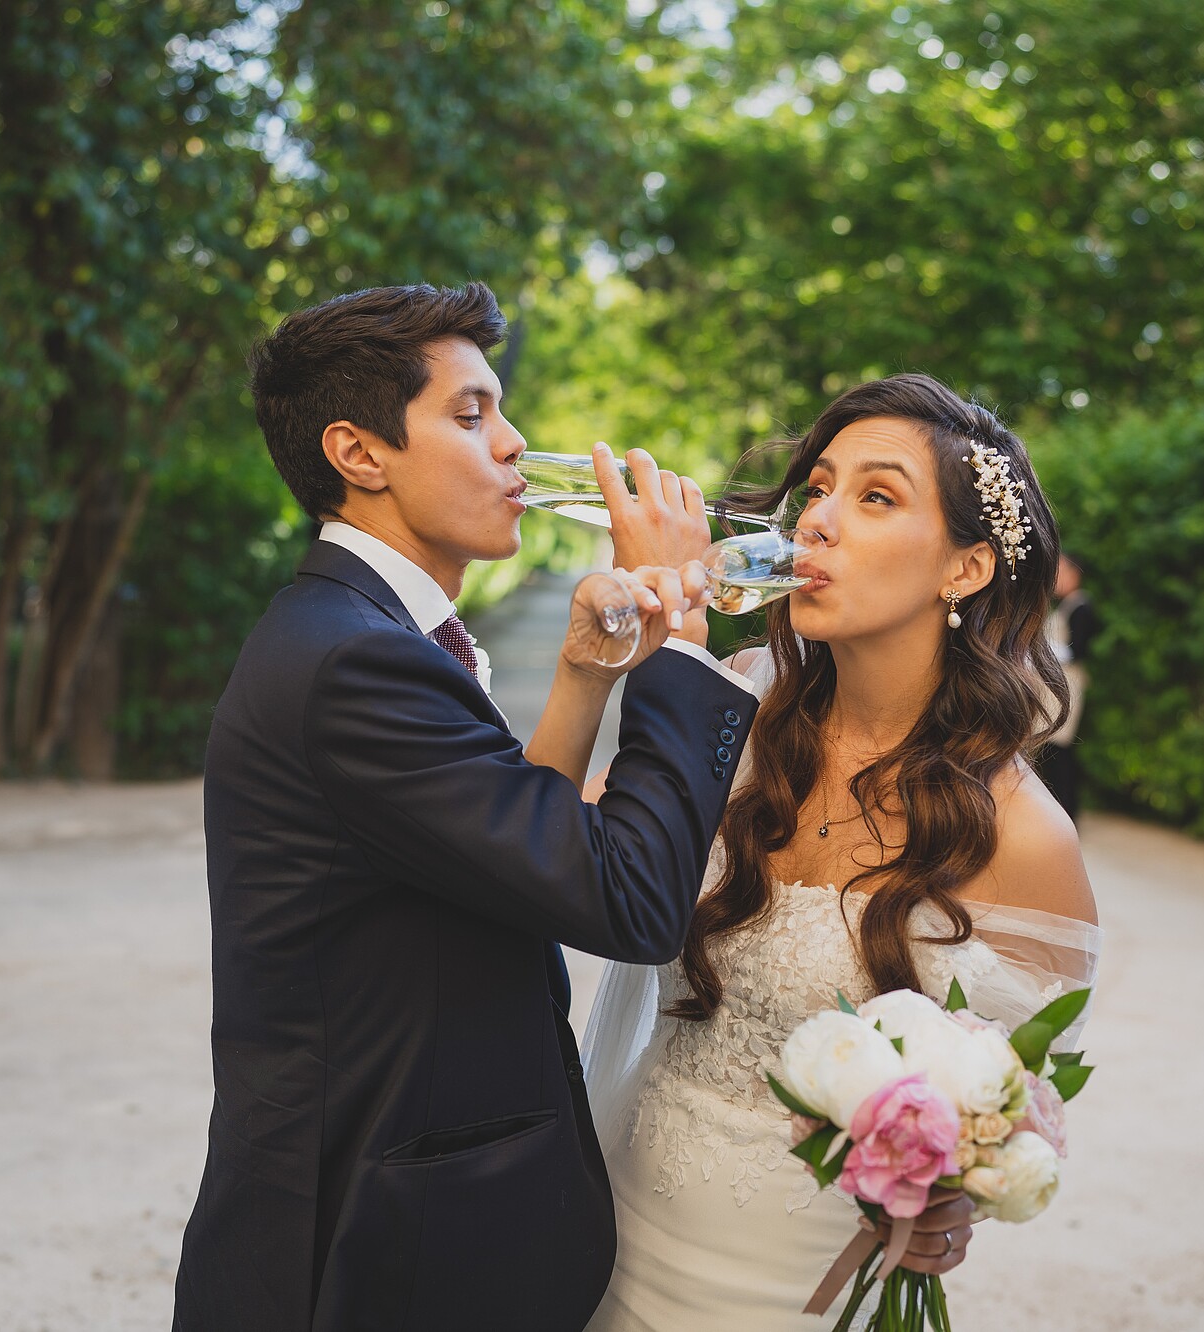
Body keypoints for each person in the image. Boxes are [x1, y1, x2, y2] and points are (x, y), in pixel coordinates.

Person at [171, 282, 764, 1332]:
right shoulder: (357, 663)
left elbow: (504, 863)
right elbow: (625, 903)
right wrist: (679, 637)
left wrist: (583, 678)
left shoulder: (358, 633)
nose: (512, 444)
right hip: (373, 1233)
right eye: (469, 413)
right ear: (358, 454)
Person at [582, 375, 1101, 1331]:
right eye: (816, 487)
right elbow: (565, 852)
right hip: (621, 1232)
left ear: (967, 568)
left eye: (876, 496)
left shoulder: (1023, 835)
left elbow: (1023, 1103)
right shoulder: (729, 706)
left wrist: (954, 1197)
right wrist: (608, 661)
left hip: (802, 1289)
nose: (816, 519)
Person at [1037, 553, 1099, 820]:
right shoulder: (1065, 606)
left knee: (1059, 744)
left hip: (1067, 685)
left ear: (1074, 573)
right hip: (1055, 684)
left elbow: (1078, 652)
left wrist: (1040, 651)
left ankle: (1065, 811)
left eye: (1060, 570)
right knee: (1051, 745)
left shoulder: (1081, 606)